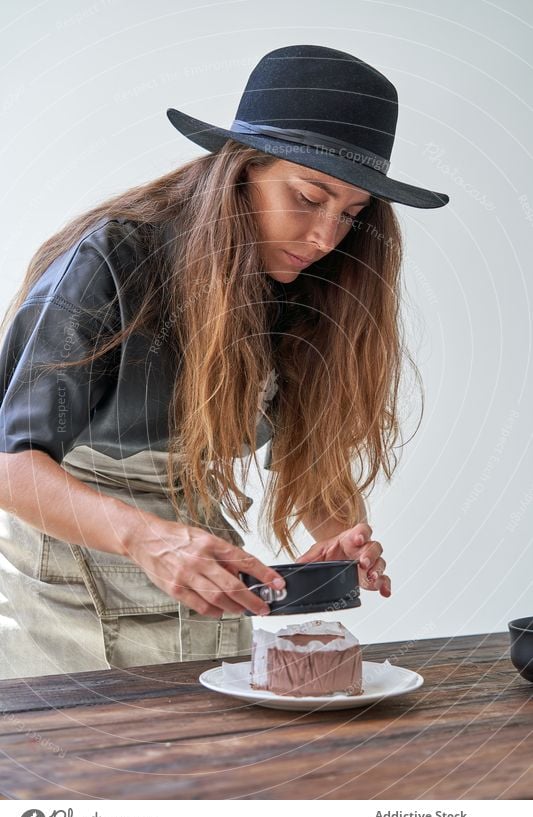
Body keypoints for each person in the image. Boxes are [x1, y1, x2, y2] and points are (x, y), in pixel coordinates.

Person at [0, 44, 448, 680]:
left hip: (200, 570)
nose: (325, 238)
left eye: (351, 215)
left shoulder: (310, 285)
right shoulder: (109, 261)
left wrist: (342, 535)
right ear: (239, 173)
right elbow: (10, 467)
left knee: (209, 765)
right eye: (308, 197)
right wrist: (146, 537)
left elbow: (308, 454)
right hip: (59, 580)